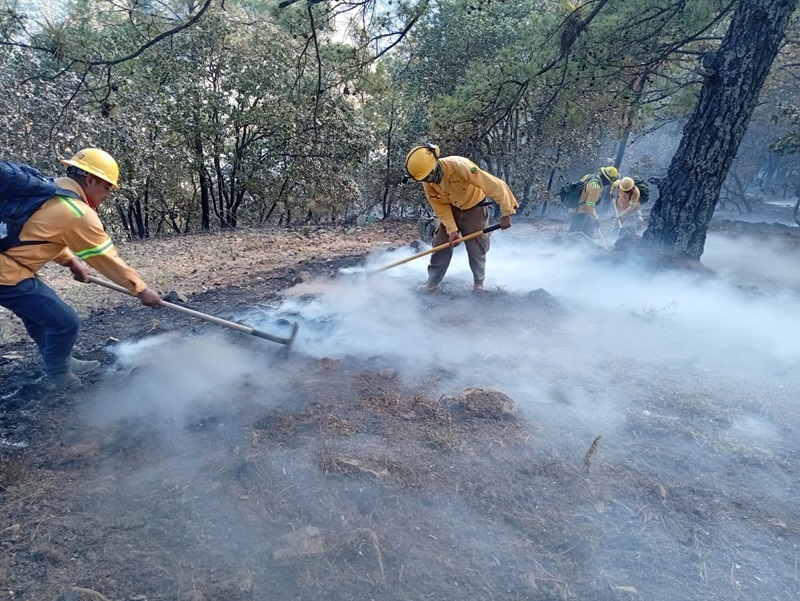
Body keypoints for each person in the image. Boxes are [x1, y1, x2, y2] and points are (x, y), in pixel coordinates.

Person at [0, 148, 162, 389]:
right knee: (65, 322)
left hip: (13, 270)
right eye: (106, 187)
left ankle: (60, 360)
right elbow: (105, 259)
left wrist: (71, 261)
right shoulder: (77, 212)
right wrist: (140, 289)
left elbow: (39, 235)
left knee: (40, 316)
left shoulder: (51, 190)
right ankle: (57, 374)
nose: (107, 194)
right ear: (90, 179)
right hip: (7, 276)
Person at [404, 143, 518, 292]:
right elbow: (440, 207)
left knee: (476, 246)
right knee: (440, 244)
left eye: (430, 175)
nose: (429, 180)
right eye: (425, 178)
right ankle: (433, 283)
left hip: (475, 207)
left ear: (435, 163)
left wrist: (506, 213)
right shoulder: (428, 183)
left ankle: (478, 284)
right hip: (451, 209)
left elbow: (496, 186)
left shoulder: (461, 166)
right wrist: (452, 230)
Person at [567, 165, 618, 237]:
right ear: (605, 179)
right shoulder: (596, 188)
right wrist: (595, 220)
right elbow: (589, 206)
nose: (609, 184)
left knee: (588, 228)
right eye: (609, 181)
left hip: (575, 207)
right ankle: (569, 243)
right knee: (574, 234)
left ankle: (584, 242)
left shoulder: (589, 176)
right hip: (580, 211)